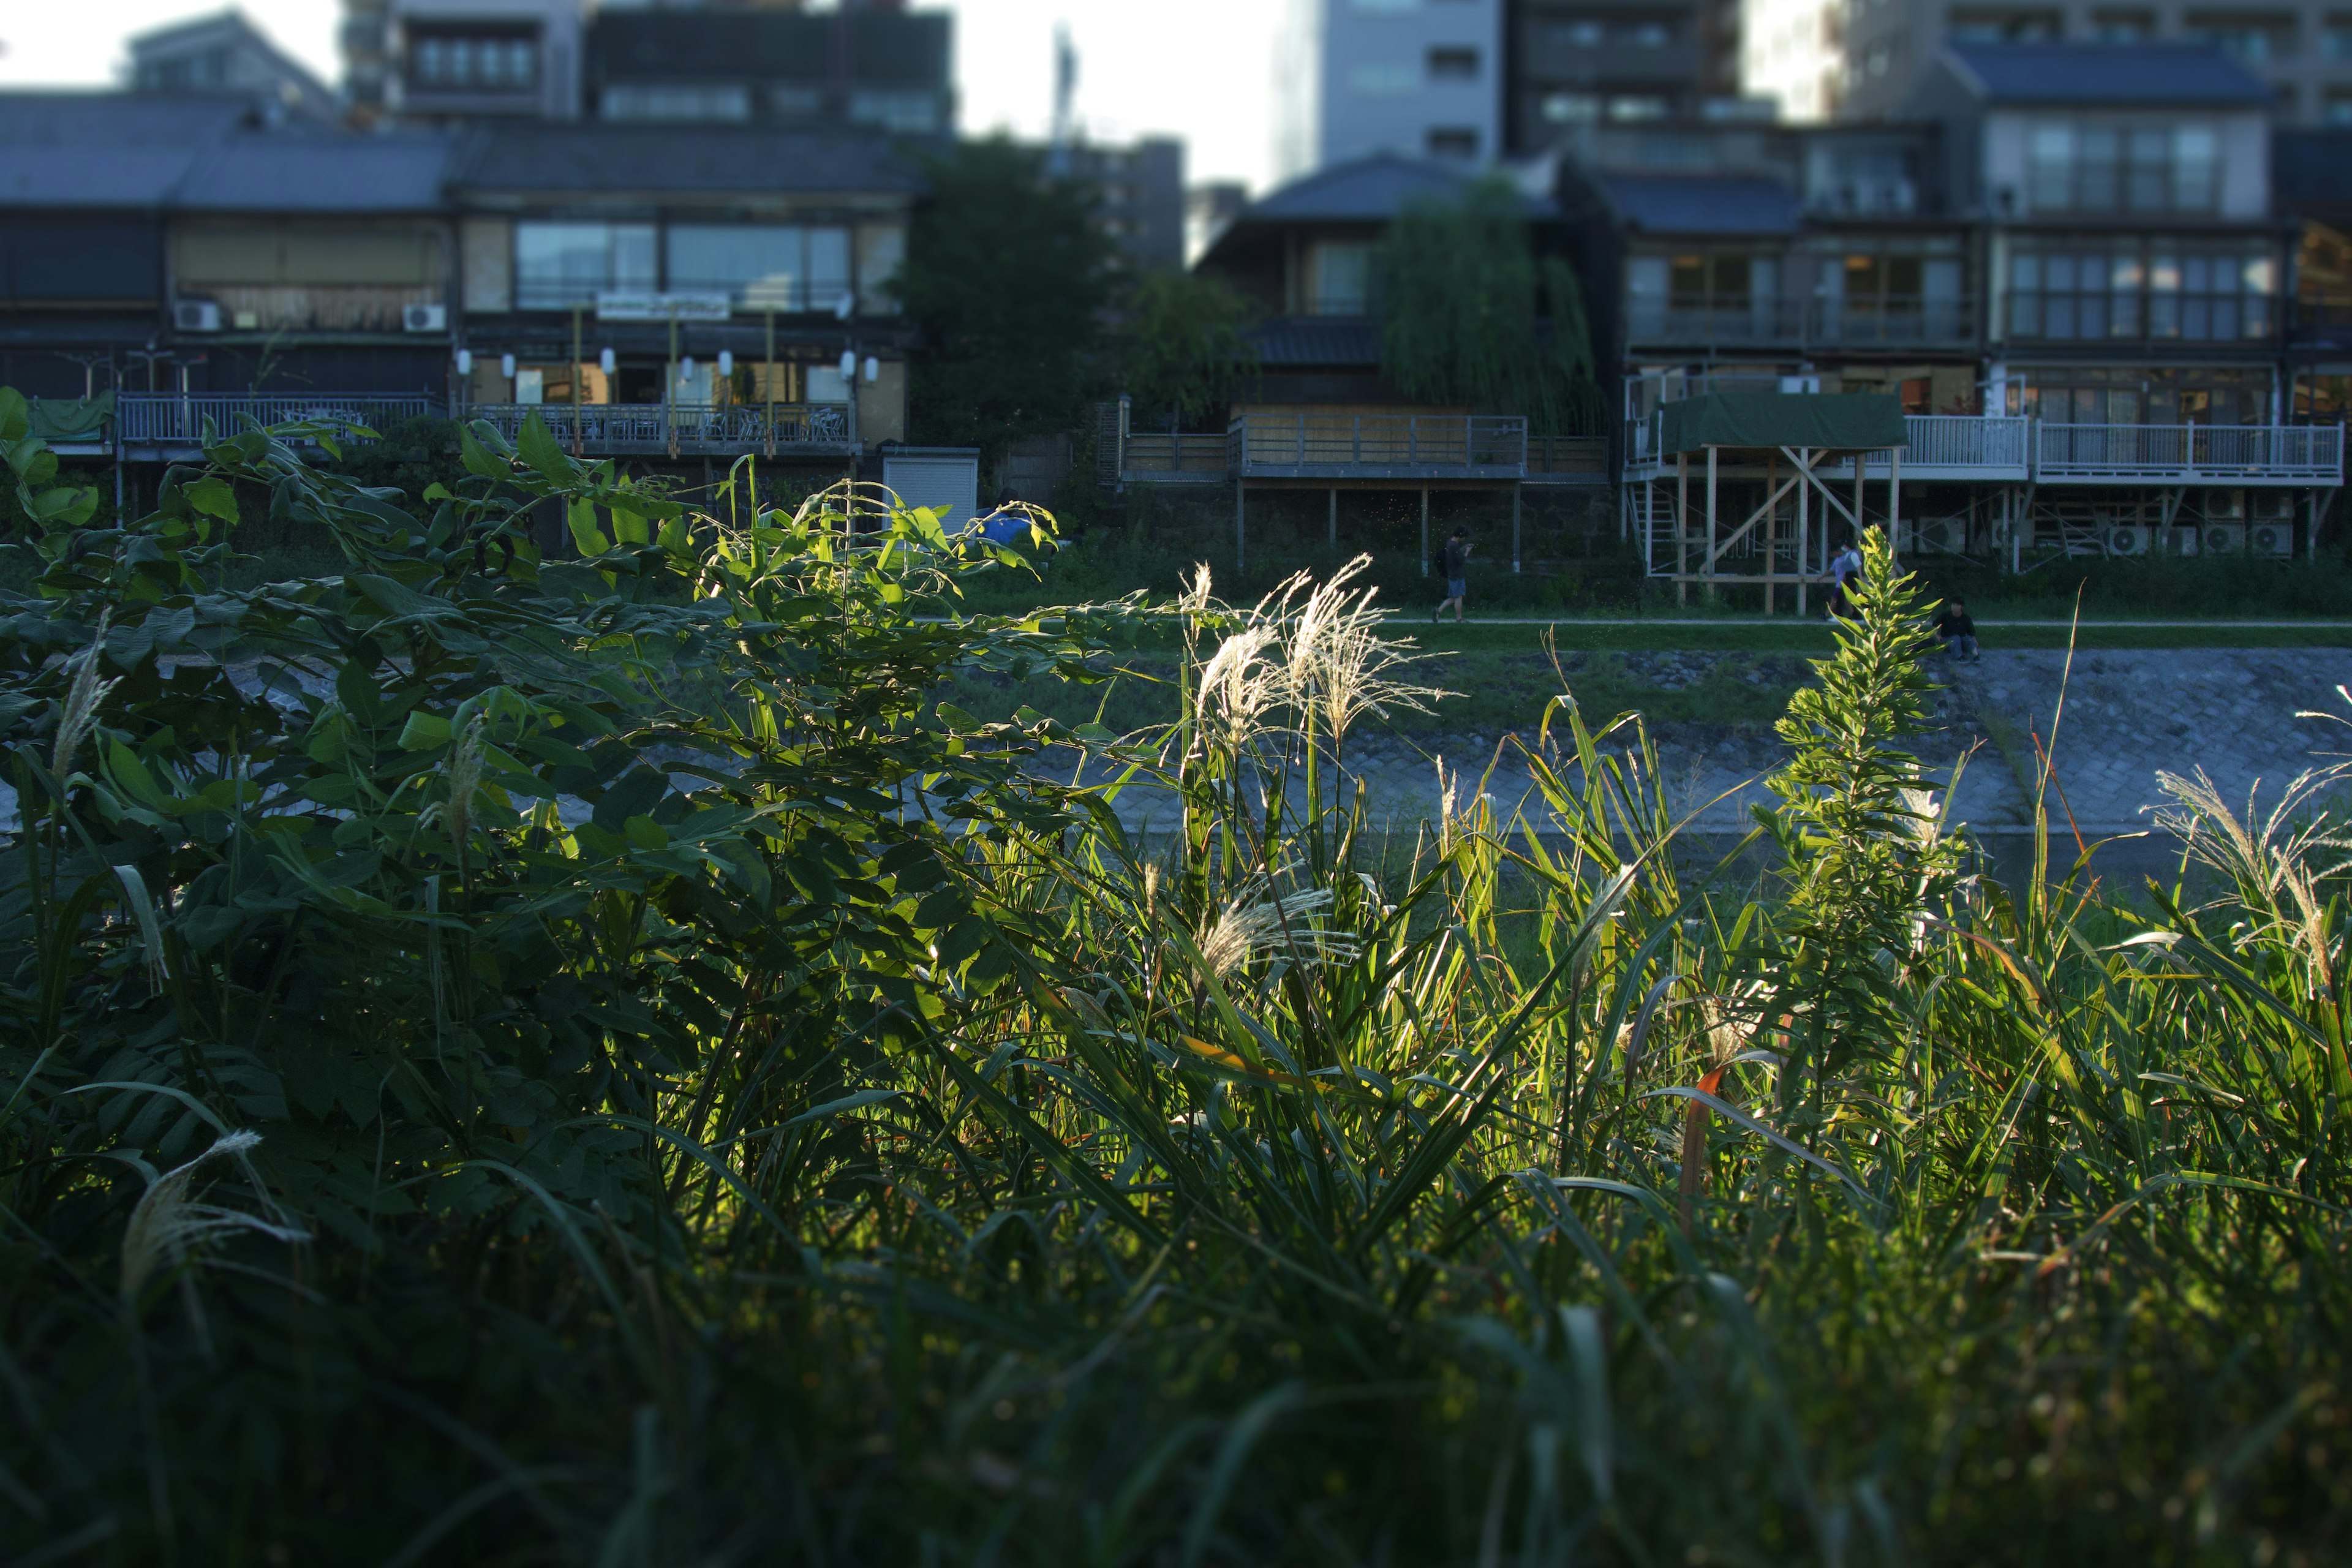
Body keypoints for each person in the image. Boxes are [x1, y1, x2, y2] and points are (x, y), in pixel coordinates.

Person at [1433, 526, 1474, 623]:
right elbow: (1461, 561)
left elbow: (1456, 555)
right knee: (1459, 596)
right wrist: (1467, 551)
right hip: (1457, 574)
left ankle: (1438, 611)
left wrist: (1464, 548)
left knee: (1453, 597)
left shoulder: (1450, 544)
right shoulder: (1454, 545)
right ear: (1461, 535)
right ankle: (1459, 618)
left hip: (1452, 574)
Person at [1824, 538, 1864, 619]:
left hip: (1852, 575)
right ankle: (1845, 614)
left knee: (1851, 595)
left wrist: (1860, 579)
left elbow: (1858, 566)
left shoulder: (1853, 554)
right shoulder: (1847, 555)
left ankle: (1856, 615)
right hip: (1848, 575)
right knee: (1845, 596)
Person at [1934, 597, 1980, 662]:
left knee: (1968, 639)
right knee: (1956, 638)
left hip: (1962, 639)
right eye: (1953, 605)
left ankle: (1976, 656)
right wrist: (1937, 636)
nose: (1954, 607)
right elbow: (1935, 625)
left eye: (1957, 605)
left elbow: (1971, 632)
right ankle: (1959, 657)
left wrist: (1974, 641)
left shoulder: (1966, 618)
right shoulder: (1945, 616)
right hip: (1948, 639)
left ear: (1961, 607)